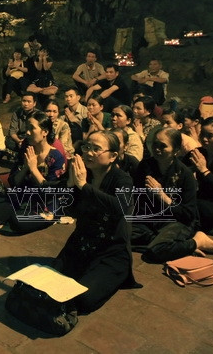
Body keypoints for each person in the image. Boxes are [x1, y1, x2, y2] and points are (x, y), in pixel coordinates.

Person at [52, 130, 138, 316]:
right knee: (50, 282)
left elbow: (119, 208)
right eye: (86, 146)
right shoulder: (84, 174)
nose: (89, 152)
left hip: (111, 252)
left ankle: (115, 275)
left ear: (113, 156)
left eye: (96, 149)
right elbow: (70, 211)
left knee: (83, 299)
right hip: (81, 244)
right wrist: (70, 185)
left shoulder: (122, 179)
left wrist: (83, 186)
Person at [131, 128, 213, 262]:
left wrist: (162, 196)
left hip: (177, 221)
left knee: (154, 253)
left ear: (176, 150)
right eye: (155, 144)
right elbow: (138, 199)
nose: (157, 149)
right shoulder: (145, 166)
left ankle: (196, 242)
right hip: (151, 220)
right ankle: (177, 246)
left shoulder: (185, 174)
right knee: (117, 236)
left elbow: (188, 214)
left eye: (163, 146)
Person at [0, 112, 66, 232]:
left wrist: (33, 169)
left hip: (44, 203)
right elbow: (14, 181)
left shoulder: (56, 157)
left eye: (32, 128)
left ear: (45, 132)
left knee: (17, 222)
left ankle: (46, 218)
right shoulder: (27, 149)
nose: (28, 132)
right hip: (23, 198)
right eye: (27, 128)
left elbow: (51, 192)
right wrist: (26, 167)